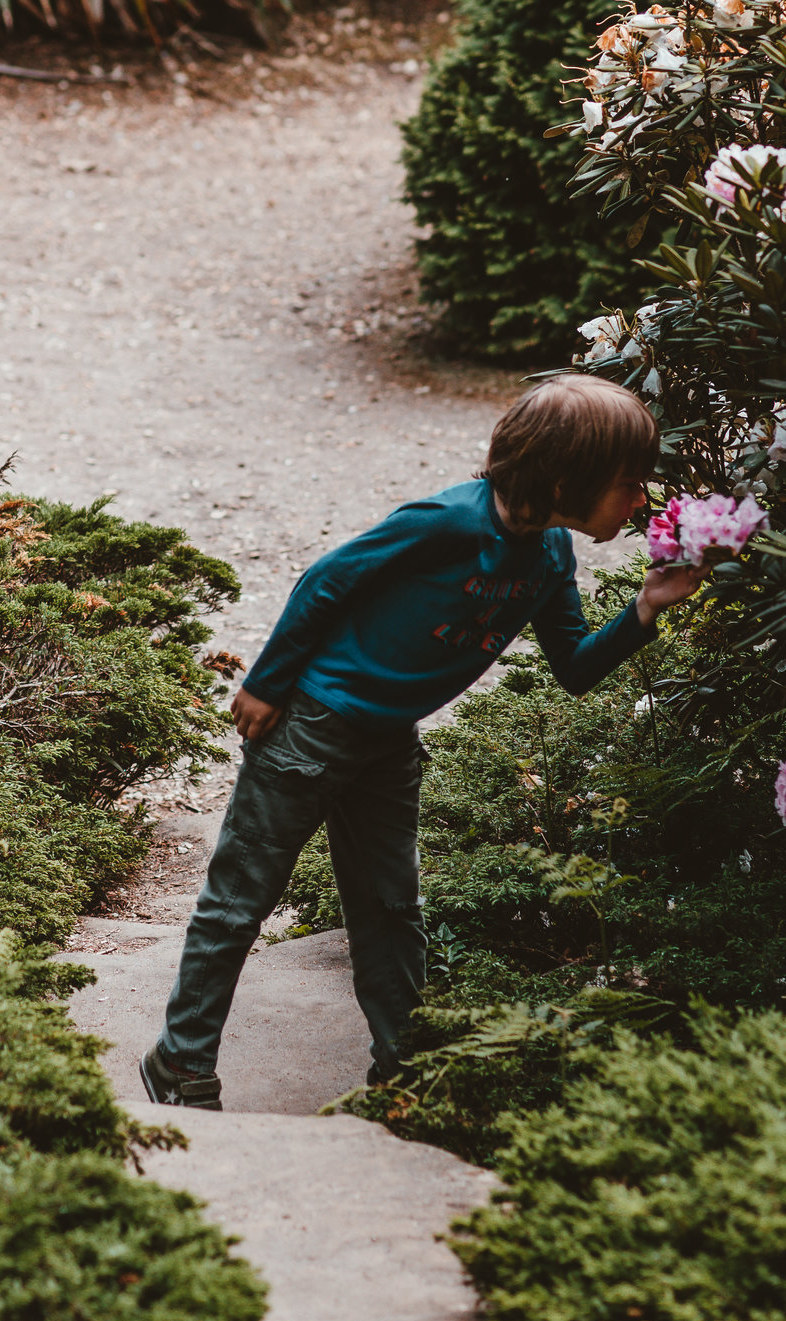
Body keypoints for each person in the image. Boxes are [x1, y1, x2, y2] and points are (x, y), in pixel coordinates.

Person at [138, 375, 699, 1108]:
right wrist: (268, 683)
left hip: (386, 744)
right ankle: (180, 1065)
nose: (640, 503)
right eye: (630, 484)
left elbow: (575, 671)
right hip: (310, 726)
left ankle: (402, 1075)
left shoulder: (552, 556)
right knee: (240, 900)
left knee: (391, 910)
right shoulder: (447, 522)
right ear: (571, 475)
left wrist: (646, 608)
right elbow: (326, 582)